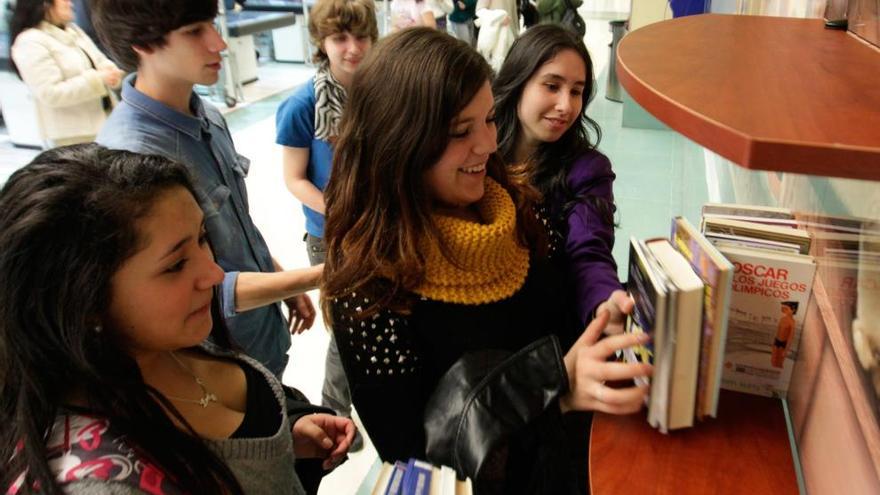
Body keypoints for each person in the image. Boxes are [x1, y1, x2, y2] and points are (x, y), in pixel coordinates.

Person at [321, 28, 651, 493]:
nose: (488, 145)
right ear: (400, 142)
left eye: (490, 121)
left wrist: (607, 320)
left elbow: (566, 296)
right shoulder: (372, 289)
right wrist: (551, 391)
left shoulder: (515, 208)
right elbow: (421, 459)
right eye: (460, 132)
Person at [0, 144, 354, 495]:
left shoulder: (165, 338)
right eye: (174, 265)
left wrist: (288, 436)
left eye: (202, 238)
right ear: (83, 300)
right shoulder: (101, 480)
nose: (214, 273)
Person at [91, 0, 320, 377]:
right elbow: (186, 285)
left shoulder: (207, 116)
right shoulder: (132, 156)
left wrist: (279, 280)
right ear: (143, 43)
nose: (219, 43)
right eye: (194, 32)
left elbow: (232, 226)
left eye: (211, 25)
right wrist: (320, 276)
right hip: (212, 362)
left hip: (260, 337)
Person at [276, 0, 378, 450]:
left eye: (361, 37)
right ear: (322, 42)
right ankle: (333, 412)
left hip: (381, 225)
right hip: (332, 236)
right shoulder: (302, 105)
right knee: (348, 328)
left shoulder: (382, 91)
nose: (353, 49)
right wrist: (337, 212)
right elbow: (294, 178)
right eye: (340, 38)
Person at [494, 24, 626, 329]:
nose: (566, 106)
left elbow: (589, 250)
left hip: (548, 332)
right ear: (518, 82)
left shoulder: (588, 170)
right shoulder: (480, 155)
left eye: (576, 91)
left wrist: (604, 302)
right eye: (552, 86)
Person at [9, 0, 124, 146]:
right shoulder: (30, 41)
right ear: (45, 4)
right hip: (71, 137)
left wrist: (111, 72)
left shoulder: (73, 30)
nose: (70, 3)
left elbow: (100, 61)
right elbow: (50, 93)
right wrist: (98, 79)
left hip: (105, 126)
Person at [771, 301, 798, 368]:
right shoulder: (782, 319)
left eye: (786, 309)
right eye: (783, 308)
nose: (784, 310)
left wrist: (786, 350)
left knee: (779, 362)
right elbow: (778, 331)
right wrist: (774, 342)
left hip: (783, 343)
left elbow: (790, 337)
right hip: (777, 341)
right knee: (773, 360)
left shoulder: (792, 322)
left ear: (793, 310)